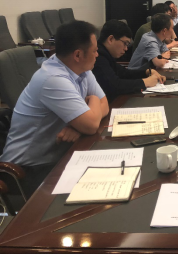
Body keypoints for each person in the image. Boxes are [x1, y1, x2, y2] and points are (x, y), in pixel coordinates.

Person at [0, 21, 109, 196]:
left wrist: (78, 126)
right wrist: (93, 102)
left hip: (56, 155)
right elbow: (92, 123)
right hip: (25, 171)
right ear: (78, 55)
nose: (97, 54)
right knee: (99, 187)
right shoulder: (53, 78)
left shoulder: (81, 69)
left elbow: (105, 106)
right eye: (95, 50)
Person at [93, 20, 166, 102]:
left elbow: (123, 73)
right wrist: (145, 82)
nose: (126, 48)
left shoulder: (106, 54)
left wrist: (147, 72)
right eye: (125, 43)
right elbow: (114, 86)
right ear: (111, 39)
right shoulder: (98, 57)